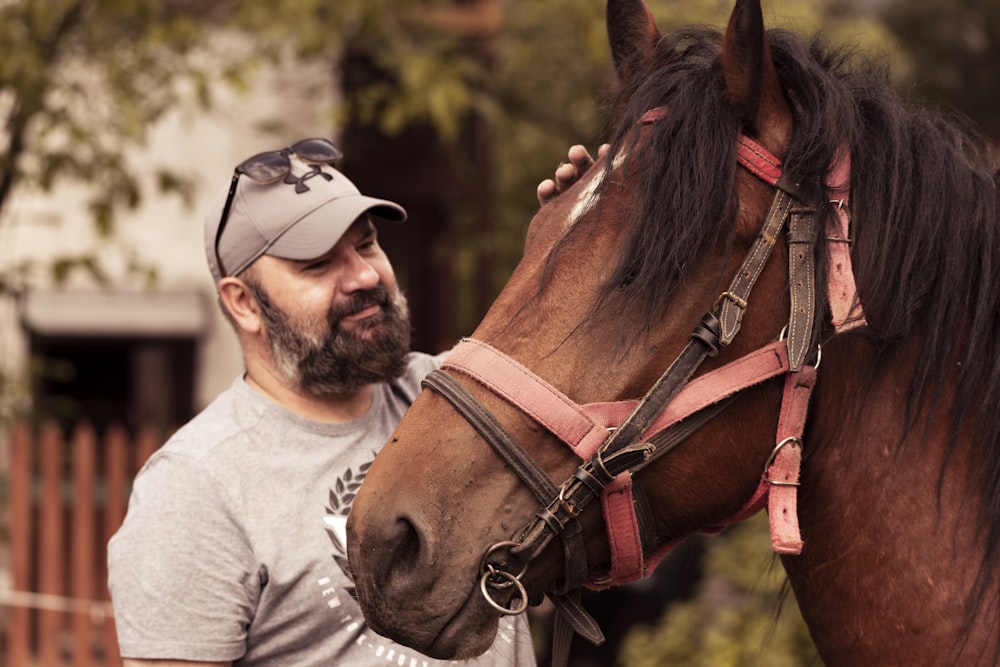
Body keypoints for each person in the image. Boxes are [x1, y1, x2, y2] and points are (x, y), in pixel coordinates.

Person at [107, 137, 602, 666]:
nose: (365, 276)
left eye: (366, 245)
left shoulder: (453, 394)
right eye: (318, 264)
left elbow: (621, 393)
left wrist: (593, 241)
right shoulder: (195, 489)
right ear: (244, 302)